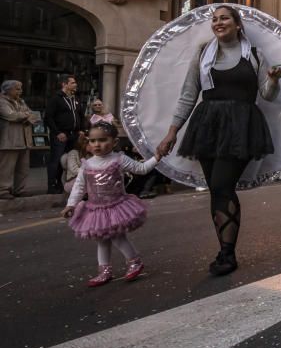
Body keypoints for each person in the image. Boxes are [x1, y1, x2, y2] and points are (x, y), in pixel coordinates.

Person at [156, 5, 281, 275]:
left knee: (222, 185)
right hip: (208, 127)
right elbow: (189, 93)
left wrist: (273, 81)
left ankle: (227, 254)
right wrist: (172, 132)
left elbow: (268, 95)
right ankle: (225, 249)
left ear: (238, 24)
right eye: (214, 19)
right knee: (217, 190)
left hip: (241, 127)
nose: (218, 22)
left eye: (224, 18)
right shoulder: (203, 52)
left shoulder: (255, 55)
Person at [61, 122, 161, 287]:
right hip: (95, 209)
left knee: (116, 236)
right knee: (101, 239)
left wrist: (157, 157)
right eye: (92, 141)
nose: (97, 144)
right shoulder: (87, 164)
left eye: (102, 140)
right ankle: (104, 270)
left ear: (114, 142)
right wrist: (71, 204)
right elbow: (79, 186)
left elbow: (141, 169)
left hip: (116, 207)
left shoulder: (119, 159)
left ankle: (135, 261)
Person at [44, 74, 86, 194]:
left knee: (69, 160)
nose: (76, 84)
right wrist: (57, 132)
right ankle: (52, 185)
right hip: (60, 135)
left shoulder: (75, 99)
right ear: (64, 84)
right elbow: (48, 118)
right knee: (56, 160)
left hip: (74, 135)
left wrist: (81, 129)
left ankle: (64, 183)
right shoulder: (56, 99)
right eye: (72, 83)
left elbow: (81, 116)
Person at [1, 80, 40, 200]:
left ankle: (20, 189)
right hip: (9, 141)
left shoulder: (21, 101)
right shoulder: (2, 102)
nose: (20, 91)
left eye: (21, 88)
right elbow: (11, 115)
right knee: (6, 168)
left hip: (24, 140)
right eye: (17, 89)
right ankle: (2, 190)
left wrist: (24, 115)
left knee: (23, 168)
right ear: (8, 90)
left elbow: (36, 116)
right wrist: (26, 115)